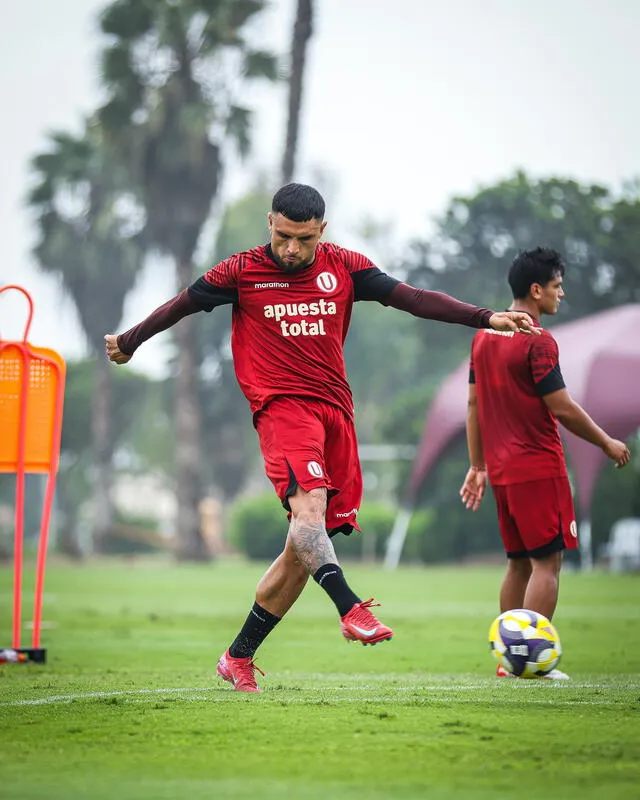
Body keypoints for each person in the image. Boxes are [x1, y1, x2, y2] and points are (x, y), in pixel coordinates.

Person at [106, 183, 538, 692]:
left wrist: (486, 317)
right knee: (309, 518)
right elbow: (181, 304)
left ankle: (238, 656)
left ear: (322, 231)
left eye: (304, 239)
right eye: (284, 236)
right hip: (282, 411)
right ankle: (350, 607)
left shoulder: (346, 266)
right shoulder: (241, 272)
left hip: (336, 414)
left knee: (304, 546)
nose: (292, 249)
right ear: (270, 223)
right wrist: (130, 341)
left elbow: (414, 299)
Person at [459, 247, 631, 680]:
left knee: (518, 563)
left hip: (501, 470)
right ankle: (529, 662)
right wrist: (607, 442)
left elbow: (473, 403)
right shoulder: (538, 339)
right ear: (536, 291)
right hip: (538, 467)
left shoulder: (484, 335)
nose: (562, 293)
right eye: (557, 285)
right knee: (547, 564)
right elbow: (563, 407)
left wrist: (478, 465)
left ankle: (508, 663)